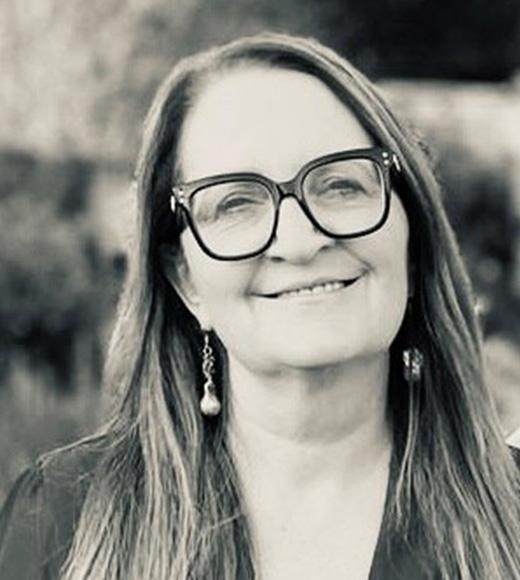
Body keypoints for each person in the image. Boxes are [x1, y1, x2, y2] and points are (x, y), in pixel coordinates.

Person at [1, 33, 519, 580]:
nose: (298, 242)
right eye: (236, 203)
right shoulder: (62, 522)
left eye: (341, 185)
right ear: (184, 279)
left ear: (412, 243)